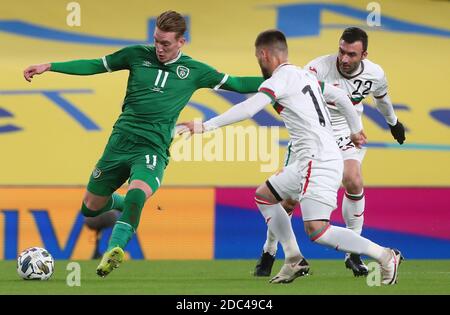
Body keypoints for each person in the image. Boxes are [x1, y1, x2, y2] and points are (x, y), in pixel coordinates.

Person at [23, 10, 264, 277]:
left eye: (166, 44)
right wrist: (51, 66)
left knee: (138, 192)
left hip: (152, 147)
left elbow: (239, 83)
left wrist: (284, 80)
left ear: (181, 42)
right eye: (156, 41)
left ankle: (114, 250)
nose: (159, 48)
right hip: (119, 142)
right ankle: (122, 203)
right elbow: (94, 65)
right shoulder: (136, 55)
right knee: (90, 209)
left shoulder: (195, 71)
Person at [179, 29, 402, 285]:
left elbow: (250, 108)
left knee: (317, 231)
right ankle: (294, 258)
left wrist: (204, 126)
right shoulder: (303, 74)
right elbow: (340, 96)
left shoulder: (279, 79)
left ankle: (384, 256)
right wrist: (354, 130)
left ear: (264, 54)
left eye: (257, 57)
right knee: (265, 196)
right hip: (312, 157)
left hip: (318, 160)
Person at [254, 27, 406, 278]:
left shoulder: (375, 74)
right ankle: (270, 250)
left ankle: (353, 250)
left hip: (347, 134)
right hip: (315, 136)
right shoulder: (317, 68)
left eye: (351, 54)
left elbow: (382, 99)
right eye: (341, 52)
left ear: (364, 55)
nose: (344, 59)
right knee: (287, 201)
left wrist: (393, 122)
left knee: (354, 180)